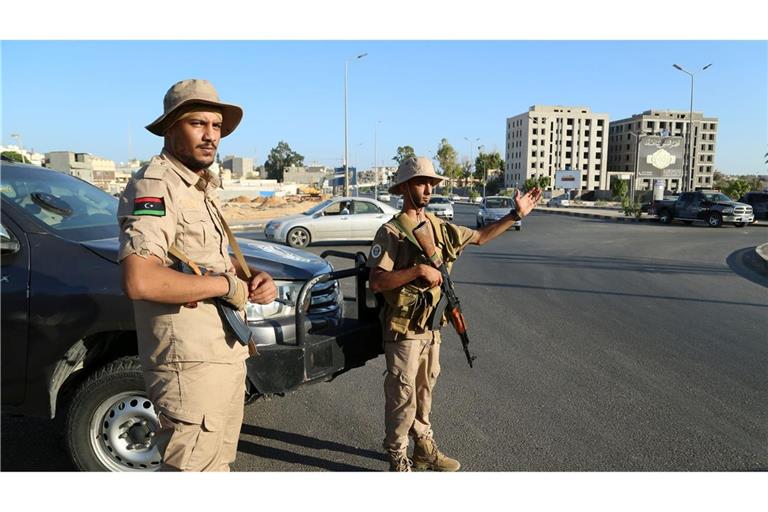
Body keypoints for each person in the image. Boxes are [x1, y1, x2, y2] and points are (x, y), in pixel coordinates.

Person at [118, 79, 277, 471]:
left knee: (217, 468)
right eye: (198, 124)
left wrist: (253, 275)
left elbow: (205, 257)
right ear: (170, 128)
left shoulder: (199, 187)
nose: (211, 137)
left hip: (222, 354)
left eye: (217, 126)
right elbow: (141, 280)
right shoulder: (155, 184)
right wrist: (227, 286)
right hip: (189, 366)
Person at [367, 156, 541, 471]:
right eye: (422, 183)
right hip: (404, 331)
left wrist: (515, 214)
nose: (428, 189)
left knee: (424, 393)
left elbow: (481, 237)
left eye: (431, 184)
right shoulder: (390, 232)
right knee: (402, 398)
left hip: (431, 328)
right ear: (404, 187)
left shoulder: (438, 226)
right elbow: (377, 282)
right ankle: (397, 459)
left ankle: (423, 448)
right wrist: (417, 270)